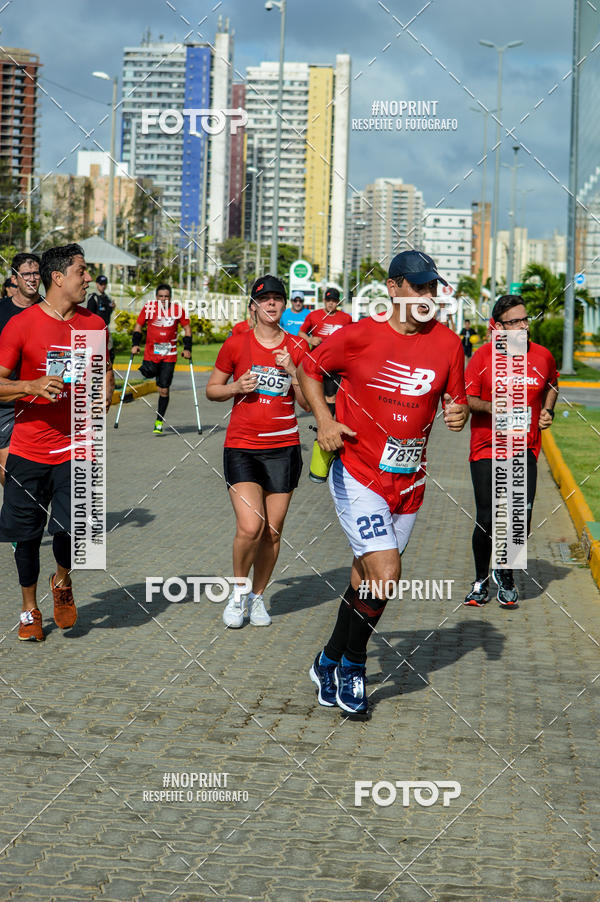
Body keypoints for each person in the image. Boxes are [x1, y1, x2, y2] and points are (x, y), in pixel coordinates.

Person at [298, 250, 468, 715]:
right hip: (358, 473)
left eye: (432, 287)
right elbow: (308, 369)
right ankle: (354, 666)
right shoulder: (359, 336)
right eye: (418, 286)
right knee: (387, 573)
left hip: (408, 484)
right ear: (393, 288)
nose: (427, 295)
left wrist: (458, 413)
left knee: (366, 579)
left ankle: (327, 659)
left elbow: (456, 401)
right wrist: (325, 419)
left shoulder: (448, 344)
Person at [0, 243, 113, 642]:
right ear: (58, 277)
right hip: (29, 449)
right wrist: (28, 386)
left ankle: (62, 580)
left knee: (73, 531)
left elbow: (105, 372)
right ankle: (29, 609)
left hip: (77, 448)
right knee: (28, 536)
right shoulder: (21, 325)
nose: (88, 278)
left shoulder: (94, 324)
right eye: (82, 271)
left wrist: (105, 389)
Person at [206, 274, 309, 629]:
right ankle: (238, 594)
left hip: (284, 448)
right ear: (253, 306)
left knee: (272, 531)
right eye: (265, 299)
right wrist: (236, 387)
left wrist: (293, 372)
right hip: (242, 448)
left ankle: (258, 597)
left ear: (284, 305)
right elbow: (212, 390)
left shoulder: (297, 346)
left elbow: (307, 404)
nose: (272, 303)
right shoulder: (236, 344)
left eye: (277, 298)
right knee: (251, 526)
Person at [463, 295, 558, 608]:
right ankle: (480, 580)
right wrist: (493, 407)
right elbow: (468, 398)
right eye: (515, 321)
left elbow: (552, 384)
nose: (523, 326)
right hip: (486, 447)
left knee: (518, 517)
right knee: (488, 517)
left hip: (523, 448)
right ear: (499, 327)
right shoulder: (483, 357)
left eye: (525, 319)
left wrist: (548, 411)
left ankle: (506, 574)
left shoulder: (542, 356)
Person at [0, 253, 42, 486]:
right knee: (8, 473)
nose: (32, 278)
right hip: (6, 400)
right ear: (15, 279)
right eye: (26, 274)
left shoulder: (49, 309)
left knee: (37, 469)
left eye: (36, 273)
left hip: (40, 400)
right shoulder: (2, 311)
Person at [132, 283, 192, 434]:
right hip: (151, 354)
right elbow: (138, 326)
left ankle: (159, 421)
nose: (163, 299)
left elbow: (187, 328)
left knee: (164, 390)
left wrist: (187, 348)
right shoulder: (149, 308)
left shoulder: (178, 310)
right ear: (156, 297)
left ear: (170, 297)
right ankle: (156, 375)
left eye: (166, 296)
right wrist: (135, 344)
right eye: (161, 296)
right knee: (148, 373)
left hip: (169, 356)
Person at [299, 288, 352, 415]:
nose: (330, 303)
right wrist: (310, 339)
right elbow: (301, 333)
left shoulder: (346, 318)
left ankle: (327, 423)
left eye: (334, 301)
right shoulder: (313, 316)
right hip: (316, 362)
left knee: (330, 396)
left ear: (338, 302)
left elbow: (351, 337)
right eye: (328, 300)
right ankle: (323, 421)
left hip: (335, 362)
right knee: (316, 397)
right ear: (324, 300)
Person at [87, 274, 116, 363]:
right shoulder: (93, 297)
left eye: (104, 284)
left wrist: (112, 307)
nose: (103, 286)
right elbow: (89, 315)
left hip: (105, 327)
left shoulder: (107, 298)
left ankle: (108, 369)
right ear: (97, 284)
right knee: (96, 353)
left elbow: (107, 313)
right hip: (95, 330)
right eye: (101, 284)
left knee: (110, 352)